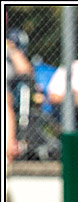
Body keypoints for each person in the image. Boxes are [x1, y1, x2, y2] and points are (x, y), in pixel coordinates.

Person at [6, 32, 33, 162]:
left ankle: (9, 147)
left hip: (9, 95)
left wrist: (11, 49)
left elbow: (25, 70)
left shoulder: (12, 40)